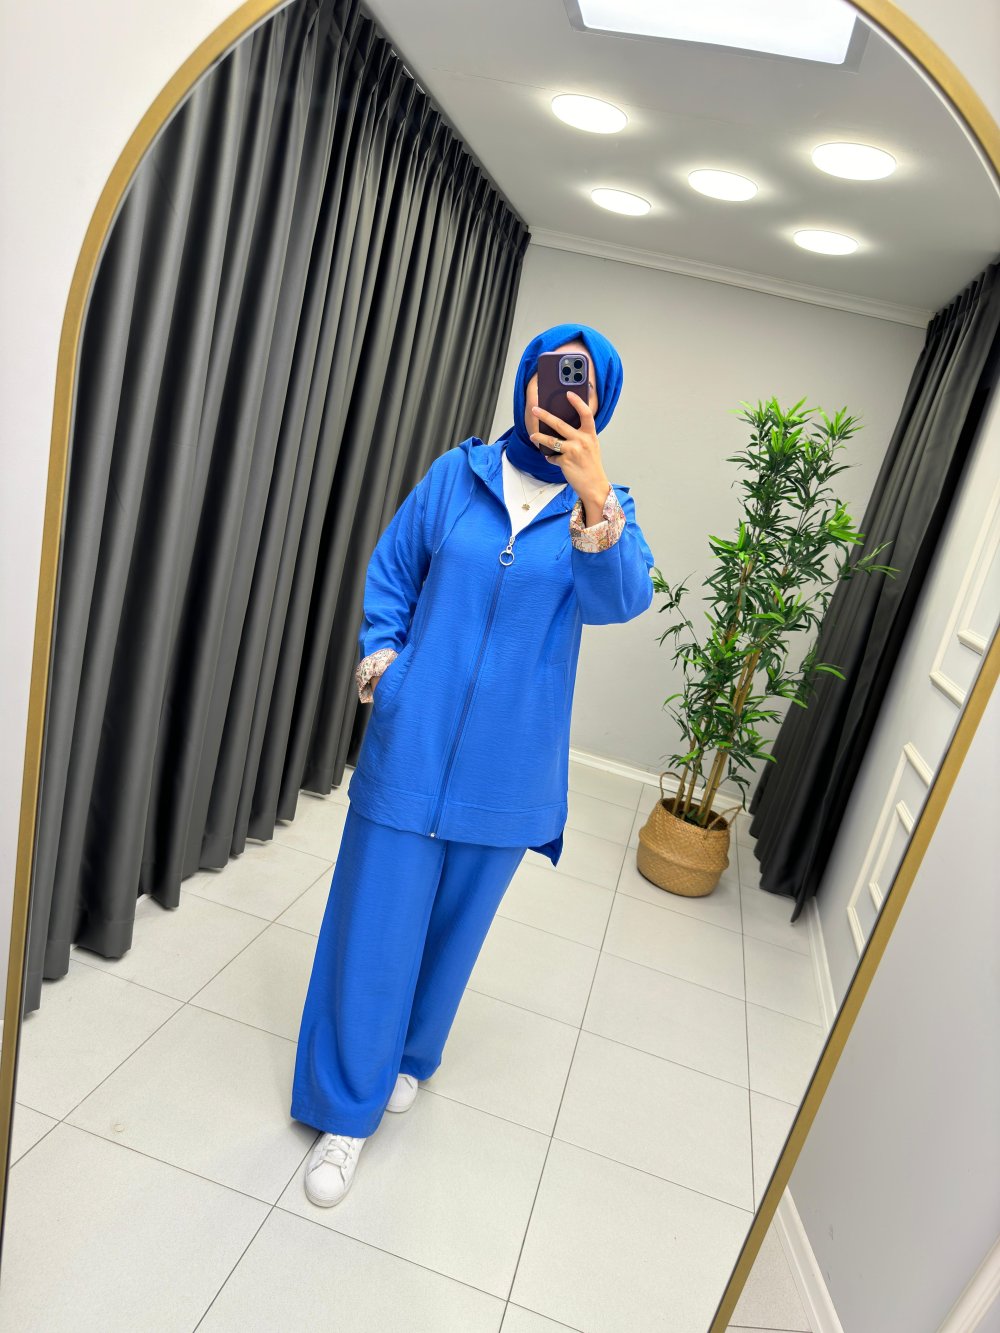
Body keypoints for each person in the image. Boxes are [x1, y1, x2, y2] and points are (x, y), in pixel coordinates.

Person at [290, 322, 656, 1206]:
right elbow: (392, 571)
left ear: (598, 403)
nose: (558, 394)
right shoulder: (456, 476)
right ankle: (347, 1111)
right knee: (373, 926)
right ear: (525, 382)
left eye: (578, 384)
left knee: (455, 932)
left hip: (509, 766)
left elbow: (620, 601)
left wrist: (595, 502)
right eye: (548, 376)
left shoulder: (605, 509)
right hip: (412, 741)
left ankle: (410, 1055)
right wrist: (387, 663)